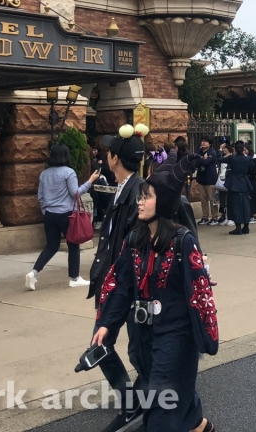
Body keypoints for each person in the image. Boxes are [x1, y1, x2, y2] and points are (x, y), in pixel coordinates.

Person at [92, 151, 216, 432]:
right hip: (145, 332)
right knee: (161, 393)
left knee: (160, 403)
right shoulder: (134, 239)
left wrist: (205, 336)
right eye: (140, 195)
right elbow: (122, 285)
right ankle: (197, 424)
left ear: (163, 202)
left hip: (177, 333)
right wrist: (106, 324)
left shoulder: (183, 241)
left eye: (147, 196)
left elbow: (200, 291)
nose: (140, 201)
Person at [86, 126, 149, 431]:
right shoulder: (126, 188)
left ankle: (135, 406)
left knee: (129, 347)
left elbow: (133, 249)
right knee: (105, 343)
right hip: (116, 281)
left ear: (114, 159)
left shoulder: (138, 193)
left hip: (128, 285)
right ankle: (133, 403)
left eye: (109, 152)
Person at [26, 144, 102, 291]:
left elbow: (40, 197)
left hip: (49, 214)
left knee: (51, 246)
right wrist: (90, 181)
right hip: (67, 214)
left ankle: (34, 272)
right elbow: (75, 193)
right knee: (73, 245)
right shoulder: (69, 172)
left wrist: (46, 211)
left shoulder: (44, 174)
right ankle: (74, 278)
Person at [218, 141, 255, 235]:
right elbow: (254, 167)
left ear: (235, 148)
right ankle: (246, 226)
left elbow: (220, 159)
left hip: (234, 183)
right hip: (244, 182)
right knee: (245, 205)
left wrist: (220, 150)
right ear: (243, 149)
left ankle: (238, 227)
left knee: (235, 205)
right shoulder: (248, 159)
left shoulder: (232, 158)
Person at [195, 136, 220, 226]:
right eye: (203, 141)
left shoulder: (212, 152)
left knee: (212, 199)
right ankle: (205, 217)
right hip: (201, 179)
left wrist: (201, 159)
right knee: (203, 200)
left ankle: (215, 217)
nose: (203, 143)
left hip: (211, 180)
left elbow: (206, 162)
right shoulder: (199, 151)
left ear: (210, 144)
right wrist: (201, 158)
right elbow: (195, 162)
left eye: (206, 142)